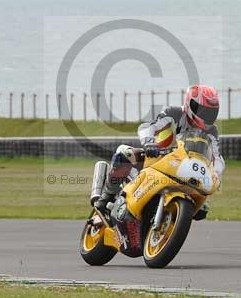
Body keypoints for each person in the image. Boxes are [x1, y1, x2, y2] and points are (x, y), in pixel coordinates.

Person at [94, 84, 225, 220]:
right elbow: (148, 127)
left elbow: (217, 157)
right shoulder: (174, 113)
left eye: (211, 112)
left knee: (202, 208)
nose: (207, 116)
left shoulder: (211, 132)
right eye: (203, 111)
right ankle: (105, 198)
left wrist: (216, 174)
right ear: (190, 104)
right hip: (156, 157)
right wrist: (149, 143)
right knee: (124, 155)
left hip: (185, 171)